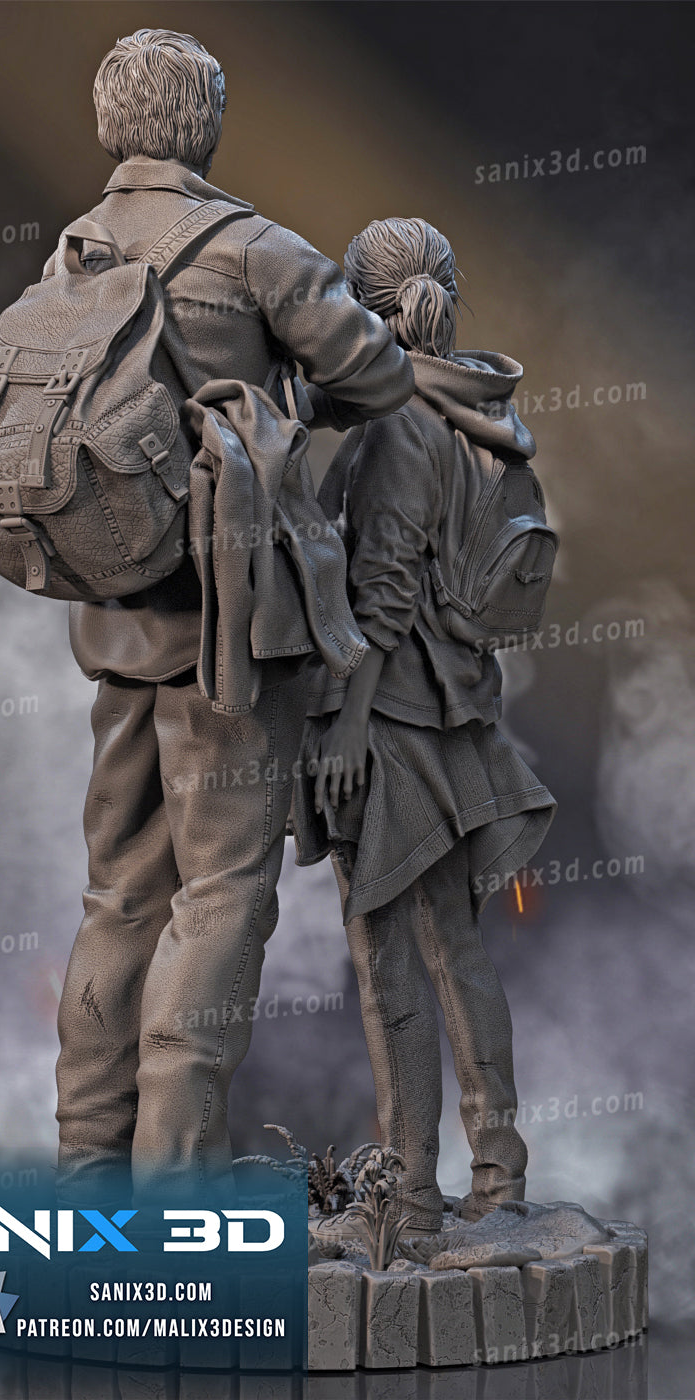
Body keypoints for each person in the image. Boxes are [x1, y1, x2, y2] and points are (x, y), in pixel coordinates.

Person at [54, 31, 416, 1204]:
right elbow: (382, 376)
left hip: (117, 628)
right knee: (220, 899)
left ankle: (89, 1179)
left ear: (113, 125)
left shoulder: (73, 250)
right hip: (235, 638)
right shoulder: (255, 249)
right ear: (204, 123)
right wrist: (279, 405)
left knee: (118, 895)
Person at [292, 217, 556, 1232]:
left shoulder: (399, 422)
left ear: (362, 310)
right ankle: (499, 1175)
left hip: (392, 723)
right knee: (458, 948)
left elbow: (386, 593)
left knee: (388, 959)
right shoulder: (483, 410)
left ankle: (406, 1198)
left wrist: (344, 726)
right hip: (459, 712)